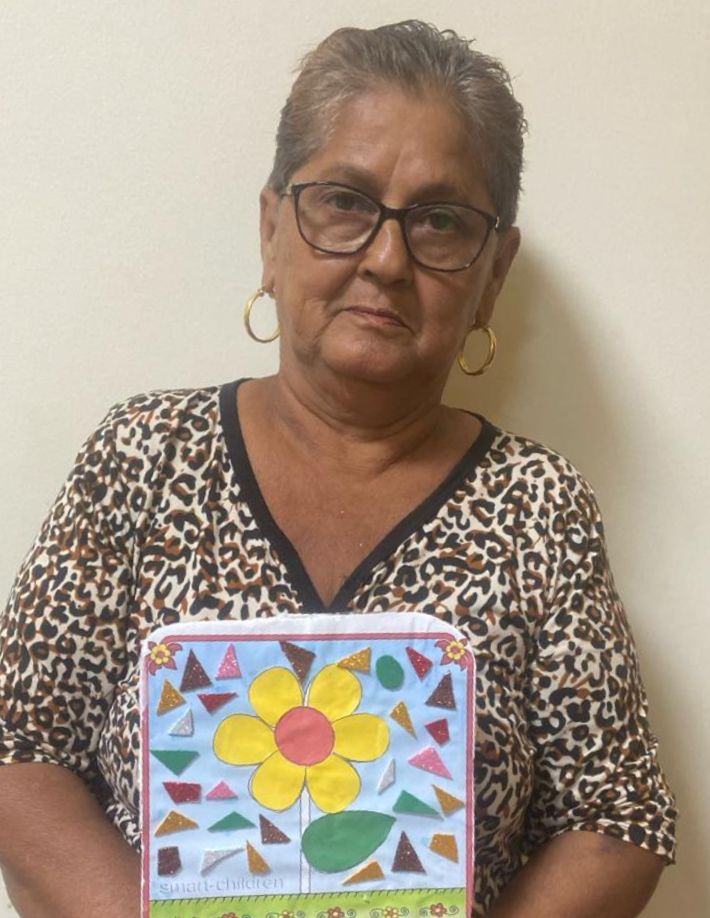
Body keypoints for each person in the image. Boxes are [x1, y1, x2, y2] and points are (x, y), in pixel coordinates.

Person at [0, 20, 676, 918]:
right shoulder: (144, 457)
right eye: (345, 203)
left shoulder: (538, 507)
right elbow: (18, 748)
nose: (387, 260)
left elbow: (617, 818)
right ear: (272, 228)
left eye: (441, 220)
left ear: (492, 274)